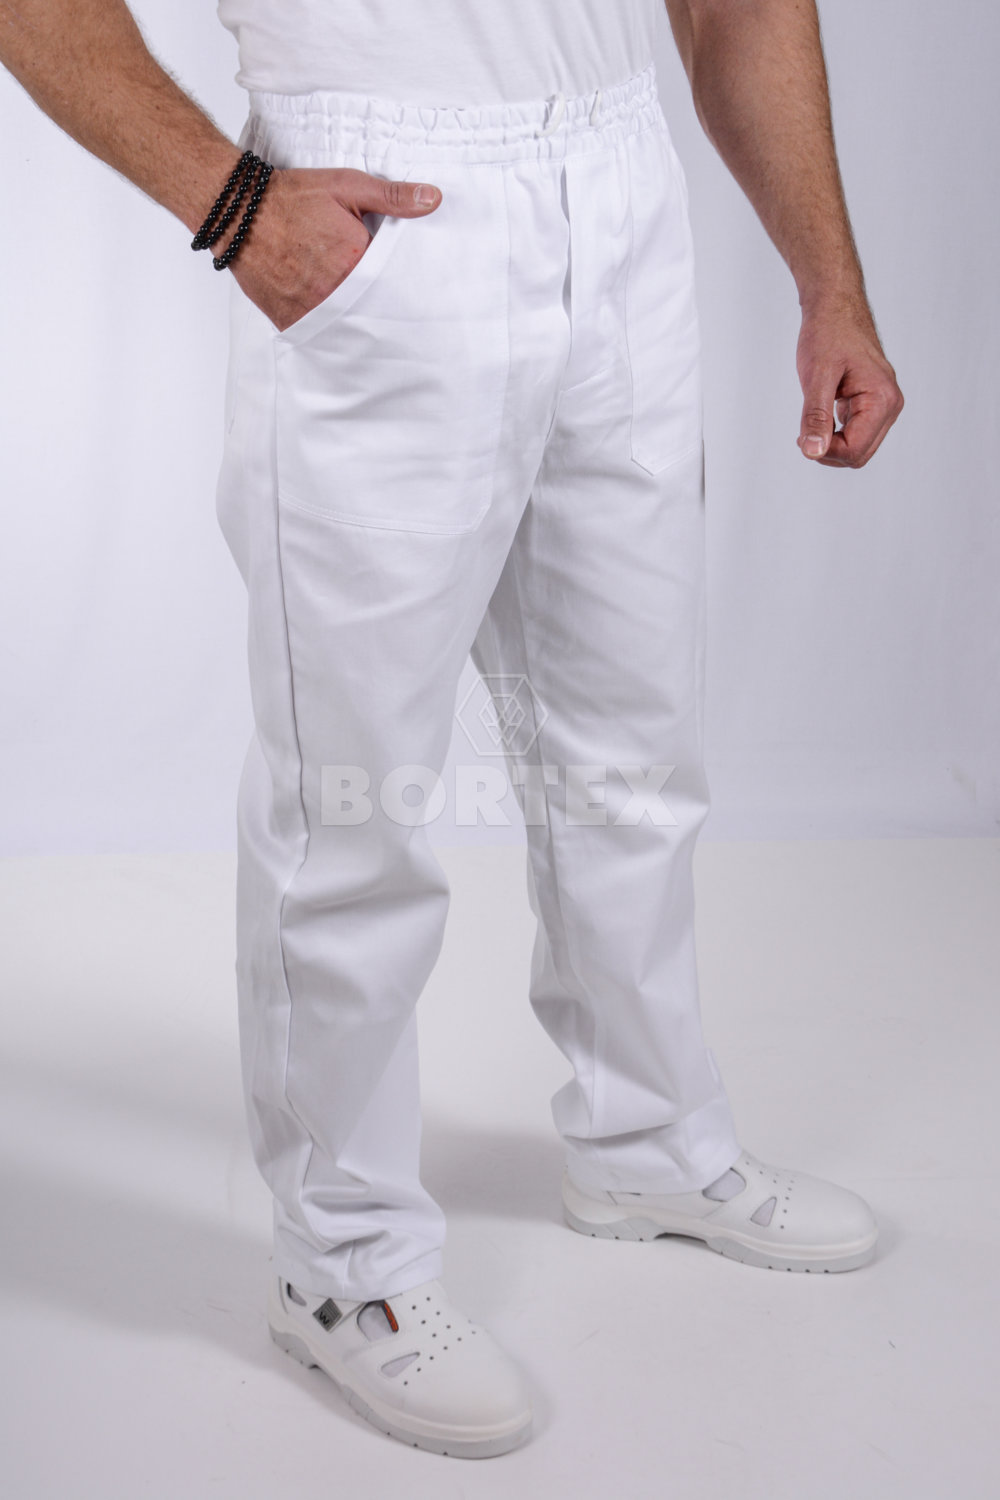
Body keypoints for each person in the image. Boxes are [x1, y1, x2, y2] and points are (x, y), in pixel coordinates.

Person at [0, 0, 903, 1461]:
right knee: (351, 796)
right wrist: (235, 205)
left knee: (630, 753)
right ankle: (342, 1261)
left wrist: (829, 284)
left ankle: (649, 1138)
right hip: (383, 197)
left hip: (621, 187)